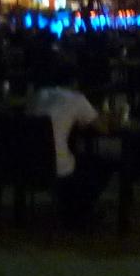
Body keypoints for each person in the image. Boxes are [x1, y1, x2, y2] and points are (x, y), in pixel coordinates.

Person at [27, 74, 113, 230]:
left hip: (28, 162)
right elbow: (103, 129)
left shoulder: (39, 95)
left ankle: (69, 205)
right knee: (101, 164)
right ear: (75, 83)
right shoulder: (76, 99)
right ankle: (80, 212)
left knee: (79, 160)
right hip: (56, 165)